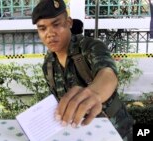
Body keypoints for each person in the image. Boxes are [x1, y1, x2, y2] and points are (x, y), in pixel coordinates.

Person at [31, 0, 133, 140]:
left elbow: (107, 73)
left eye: (56, 24)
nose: (49, 33)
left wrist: (94, 93)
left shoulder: (90, 47)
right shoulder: (48, 64)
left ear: (69, 23)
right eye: (42, 28)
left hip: (114, 129)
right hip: (79, 132)